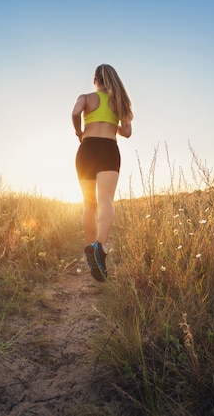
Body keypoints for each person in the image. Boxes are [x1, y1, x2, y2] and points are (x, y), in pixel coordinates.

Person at [72, 64, 133, 281]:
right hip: (108, 149)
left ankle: (91, 249)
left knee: (89, 204)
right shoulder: (119, 101)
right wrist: (111, 123)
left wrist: (79, 132)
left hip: (86, 149)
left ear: (95, 79)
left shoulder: (85, 97)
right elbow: (127, 132)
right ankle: (101, 246)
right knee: (106, 199)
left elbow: (75, 113)